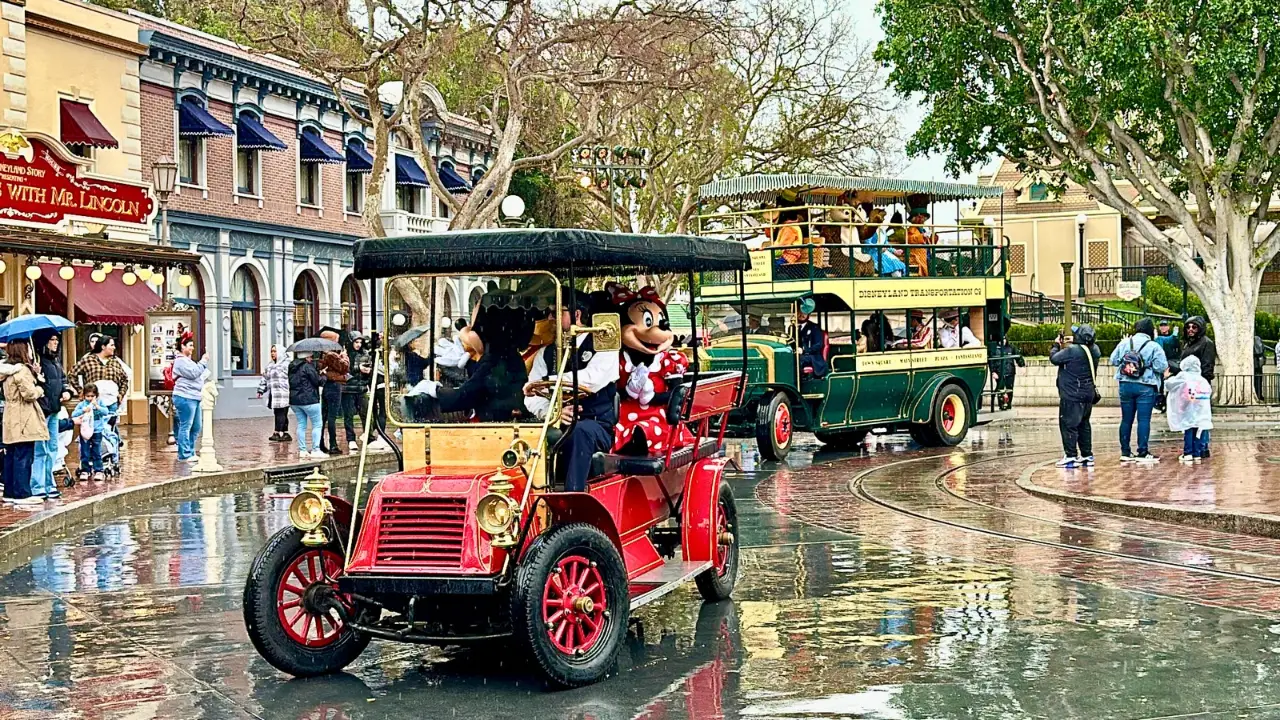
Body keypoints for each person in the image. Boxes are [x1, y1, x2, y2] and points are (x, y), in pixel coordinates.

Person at [524, 289, 620, 491]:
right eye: (549, 313)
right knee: (522, 434)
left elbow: (592, 380)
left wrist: (548, 381)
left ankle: (571, 498)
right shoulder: (546, 353)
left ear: (576, 315)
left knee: (580, 432)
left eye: (556, 312)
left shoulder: (603, 346)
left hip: (596, 424)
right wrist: (554, 413)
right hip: (554, 423)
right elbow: (530, 397)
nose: (550, 318)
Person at [1110, 318, 1169, 463]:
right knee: (1143, 420)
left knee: (1126, 419)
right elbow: (1161, 366)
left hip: (1125, 384)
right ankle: (1142, 452)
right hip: (1146, 385)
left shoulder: (1125, 343)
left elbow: (1114, 360)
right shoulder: (1153, 346)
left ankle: (1125, 452)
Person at [1, 340, 48, 507]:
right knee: (24, 455)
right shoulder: (21, 370)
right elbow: (28, 394)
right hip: (23, 417)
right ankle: (22, 493)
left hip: (10, 415)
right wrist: (40, 389)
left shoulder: (6, 371)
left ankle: (10, 492)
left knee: (11, 455)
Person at [1050, 324, 1099, 468]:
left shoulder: (1072, 351)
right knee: (1084, 425)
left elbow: (1054, 358)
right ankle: (1086, 455)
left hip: (1072, 394)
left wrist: (1056, 345)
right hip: (1087, 394)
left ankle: (1071, 456)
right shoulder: (1094, 350)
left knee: (1068, 425)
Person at [31, 329, 69, 500]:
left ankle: (49, 483)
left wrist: (67, 391)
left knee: (52, 448)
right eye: (51, 340)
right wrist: (36, 374)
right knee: (41, 450)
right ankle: (37, 485)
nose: (55, 343)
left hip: (54, 409)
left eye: (56, 340)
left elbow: (63, 380)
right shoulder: (36, 361)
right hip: (41, 411)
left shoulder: (56, 362)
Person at [1165, 355, 1213, 463]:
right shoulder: (1202, 379)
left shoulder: (1183, 376)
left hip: (1187, 406)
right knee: (1198, 430)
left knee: (1188, 428)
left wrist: (1167, 377)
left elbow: (1170, 385)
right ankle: (1196, 453)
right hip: (1200, 410)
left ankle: (1188, 453)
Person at [171, 334, 210, 463]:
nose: (192, 348)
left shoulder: (188, 360)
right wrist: (203, 362)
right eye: (190, 346)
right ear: (183, 347)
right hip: (185, 397)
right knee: (186, 426)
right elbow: (193, 373)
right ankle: (184, 454)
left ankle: (191, 450)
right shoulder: (180, 360)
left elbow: (196, 373)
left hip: (195, 396)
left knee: (196, 426)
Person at [71, 335, 129, 408]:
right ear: (103, 347)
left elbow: (125, 379)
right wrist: (81, 391)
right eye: (112, 345)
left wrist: (121, 394)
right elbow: (72, 374)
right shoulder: (88, 360)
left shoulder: (115, 362)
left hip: (112, 403)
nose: (114, 347)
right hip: (93, 403)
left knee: (111, 419)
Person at [317, 327, 350, 455]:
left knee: (324, 417)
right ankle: (333, 444)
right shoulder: (331, 355)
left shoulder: (322, 354)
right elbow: (344, 367)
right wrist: (345, 356)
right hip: (334, 387)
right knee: (331, 417)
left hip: (328, 386)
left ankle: (320, 443)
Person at [289, 352, 325, 458]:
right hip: (310, 400)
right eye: (310, 357)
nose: (311, 359)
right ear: (307, 357)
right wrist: (323, 375)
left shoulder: (291, 367)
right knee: (317, 425)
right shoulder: (307, 367)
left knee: (301, 425)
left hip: (295, 401)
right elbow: (318, 381)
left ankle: (302, 450)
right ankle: (315, 449)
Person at [71, 384, 108, 482]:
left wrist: (97, 406)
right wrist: (82, 410)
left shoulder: (99, 402)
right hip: (85, 431)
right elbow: (74, 414)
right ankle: (85, 470)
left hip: (97, 430)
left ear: (96, 395)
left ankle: (98, 470)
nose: (90, 398)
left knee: (97, 451)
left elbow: (106, 412)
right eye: (88, 396)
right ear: (84, 396)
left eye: (92, 396)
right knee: (85, 451)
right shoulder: (82, 404)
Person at [343, 334, 372, 447]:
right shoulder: (345, 354)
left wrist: (367, 372)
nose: (358, 345)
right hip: (348, 389)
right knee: (349, 415)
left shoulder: (365, 354)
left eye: (360, 342)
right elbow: (344, 370)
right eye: (356, 342)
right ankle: (351, 439)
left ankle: (369, 436)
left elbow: (369, 368)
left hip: (361, 388)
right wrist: (358, 369)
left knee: (365, 413)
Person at [260, 344, 291, 442]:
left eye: (275, 351)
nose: (273, 353)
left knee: (281, 413)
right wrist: (261, 390)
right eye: (271, 351)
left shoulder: (287, 364)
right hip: (274, 393)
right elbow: (265, 378)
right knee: (278, 413)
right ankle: (285, 433)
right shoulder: (270, 365)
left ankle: (277, 432)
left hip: (284, 393)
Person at [796, 297, 828, 378]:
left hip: (813, 357)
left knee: (797, 360)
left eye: (805, 313)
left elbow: (818, 345)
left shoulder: (814, 328)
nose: (802, 315)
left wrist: (803, 350)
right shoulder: (793, 328)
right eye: (800, 312)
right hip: (799, 355)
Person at [990, 336, 1025, 410]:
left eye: (1004, 339)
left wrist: (1022, 366)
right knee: (1000, 389)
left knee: (1010, 389)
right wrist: (993, 372)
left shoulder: (1011, 347)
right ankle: (1001, 405)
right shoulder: (995, 349)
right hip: (999, 373)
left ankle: (1009, 405)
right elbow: (991, 362)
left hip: (1010, 372)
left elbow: (1018, 356)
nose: (1004, 341)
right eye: (1002, 339)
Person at [1153, 320, 1180, 412]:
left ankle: (1168, 405)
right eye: (1161, 326)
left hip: (1171, 365)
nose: (1163, 327)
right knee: (1160, 386)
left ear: (1168, 327)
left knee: (1170, 385)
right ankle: (1160, 405)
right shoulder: (1158, 339)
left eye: (1165, 325)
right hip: (1163, 365)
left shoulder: (1170, 338)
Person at [905, 205, 934, 277]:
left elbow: (930, 243)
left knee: (945, 264)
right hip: (917, 256)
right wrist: (922, 236)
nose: (923, 219)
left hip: (927, 256)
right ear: (915, 219)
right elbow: (910, 239)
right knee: (934, 265)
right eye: (920, 217)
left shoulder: (923, 230)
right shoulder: (911, 230)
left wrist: (933, 236)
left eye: (924, 217)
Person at [1254, 334, 1267, 402]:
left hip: (1257, 363)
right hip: (1257, 363)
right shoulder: (1257, 339)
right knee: (1258, 380)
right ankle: (1259, 394)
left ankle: (1259, 394)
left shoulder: (1256, 339)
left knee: (1258, 380)